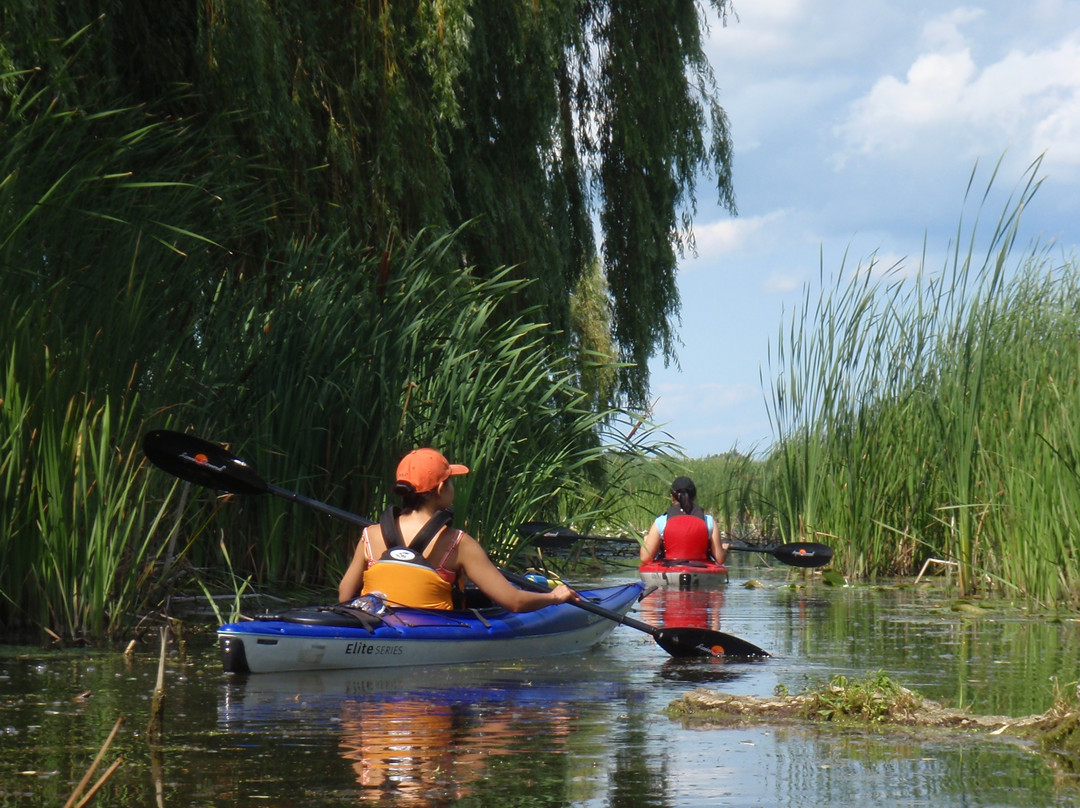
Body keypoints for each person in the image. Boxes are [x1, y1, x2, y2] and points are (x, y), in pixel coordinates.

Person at [338, 447, 580, 611]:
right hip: (434, 633)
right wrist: (554, 597)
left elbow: (345, 596)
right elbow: (514, 602)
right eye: (452, 481)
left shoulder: (370, 535)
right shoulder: (457, 542)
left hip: (377, 626)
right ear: (442, 488)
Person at [639, 476, 727, 566]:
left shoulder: (661, 521)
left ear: (672, 497)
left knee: (648, 541)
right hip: (701, 568)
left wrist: (645, 541)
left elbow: (645, 558)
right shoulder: (709, 521)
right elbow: (720, 559)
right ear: (694, 496)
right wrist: (724, 549)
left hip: (670, 568)